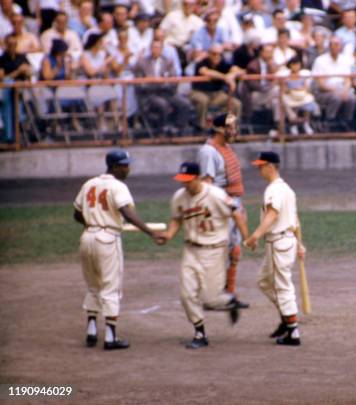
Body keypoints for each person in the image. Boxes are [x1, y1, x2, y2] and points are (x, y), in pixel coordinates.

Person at [72, 149, 165, 350]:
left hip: (87, 237)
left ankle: (91, 331)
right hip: (107, 239)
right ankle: (110, 338)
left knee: (93, 285)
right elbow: (127, 213)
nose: (127, 169)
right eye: (124, 165)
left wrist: (93, 221)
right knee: (110, 287)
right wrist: (151, 232)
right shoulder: (118, 186)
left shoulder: (89, 183)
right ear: (114, 167)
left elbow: (77, 214)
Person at [161, 161, 249, 349]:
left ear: (198, 178)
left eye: (188, 180)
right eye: (182, 181)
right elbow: (177, 218)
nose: (185, 184)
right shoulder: (179, 197)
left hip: (214, 250)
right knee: (187, 294)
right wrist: (168, 235)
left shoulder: (216, 194)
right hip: (191, 250)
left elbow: (237, 212)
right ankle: (200, 333)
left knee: (210, 299)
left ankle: (230, 301)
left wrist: (247, 237)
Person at [244, 151, 306, 346]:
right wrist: (300, 243)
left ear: (271, 166)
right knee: (264, 281)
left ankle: (293, 333)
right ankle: (286, 319)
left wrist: (255, 236)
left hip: (278, 243)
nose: (259, 169)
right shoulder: (287, 189)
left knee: (282, 286)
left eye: (261, 166)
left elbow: (272, 214)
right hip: (285, 241)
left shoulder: (274, 190)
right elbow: (295, 220)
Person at [197, 113, 250, 308]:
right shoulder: (208, 151)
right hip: (219, 208)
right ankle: (211, 295)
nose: (234, 130)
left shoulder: (226, 148)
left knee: (234, 251)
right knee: (218, 252)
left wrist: (239, 207)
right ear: (220, 129)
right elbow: (207, 184)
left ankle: (229, 294)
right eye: (230, 127)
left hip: (233, 204)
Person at [134, 39, 192, 134]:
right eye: (154, 47)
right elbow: (139, 83)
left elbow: (173, 80)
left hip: (166, 92)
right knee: (162, 104)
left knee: (184, 103)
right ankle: (162, 130)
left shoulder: (168, 62)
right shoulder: (142, 63)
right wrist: (154, 82)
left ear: (162, 49)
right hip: (150, 94)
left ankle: (179, 129)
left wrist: (162, 83)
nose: (156, 50)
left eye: (158, 48)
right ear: (150, 49)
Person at [189, 43, 242, 129]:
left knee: (235, 104)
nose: (217, 56)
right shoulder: (202, 62)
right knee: (203, 100)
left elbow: (240, 70)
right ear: (209, 53)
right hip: (198, 91)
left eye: (219, 54)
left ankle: (229, 128)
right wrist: (225, 77)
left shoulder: (222, 63)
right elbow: (205, 72)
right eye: (214, 54)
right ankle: (201, 127)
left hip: (216, 94)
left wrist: (232, 75)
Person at [281, 56, 319, 135]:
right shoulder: (286, 77)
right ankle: (294, 125)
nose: (296, 67)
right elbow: (284, 89)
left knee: (308, 103)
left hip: (302, 95)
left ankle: (306, 124)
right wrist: (291, 90)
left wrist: (300, 89)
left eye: (297, 64)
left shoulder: (302, 76)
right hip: (291, 97)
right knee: (290, 106)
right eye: (294, 65)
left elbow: (305, 87)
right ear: (290, 66)